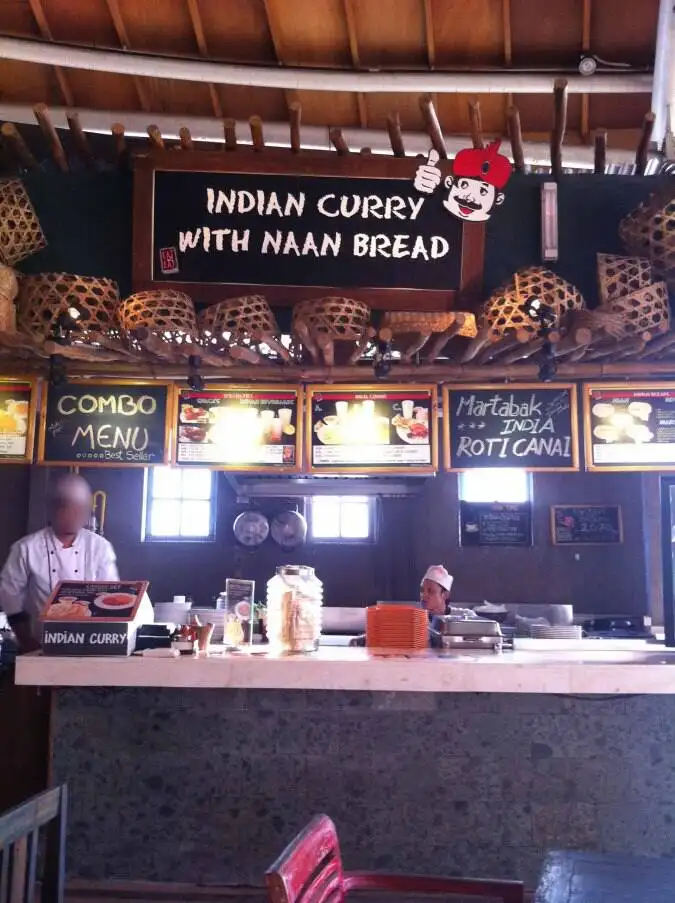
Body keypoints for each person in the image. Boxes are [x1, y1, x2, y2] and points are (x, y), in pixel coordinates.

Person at [0, 474, 119, 653]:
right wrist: (27, 641)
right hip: (39, 646)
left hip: (91, 646)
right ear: (53, 509)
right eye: (68, 508)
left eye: (81, 509)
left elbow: (111, 596)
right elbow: (9, 596)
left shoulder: (100, 547)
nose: (75, 515)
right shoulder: (26, 548)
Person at [350, 564, 454, 648]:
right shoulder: (414, 619)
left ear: (445, 595)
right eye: (422, 590)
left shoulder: (459, 617)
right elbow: (390, 632)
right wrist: (363, 639)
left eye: (430, 591)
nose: (424, 595)